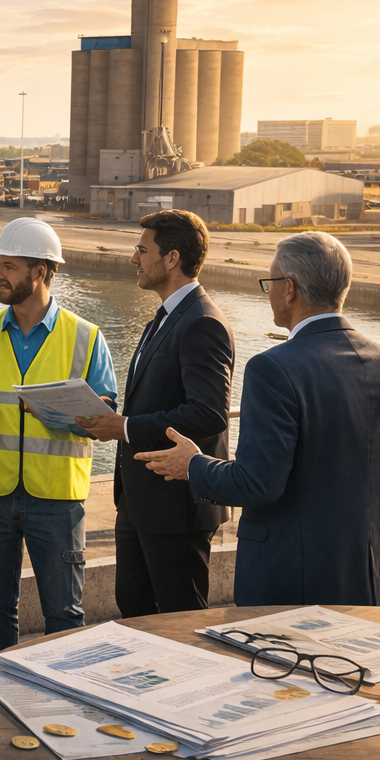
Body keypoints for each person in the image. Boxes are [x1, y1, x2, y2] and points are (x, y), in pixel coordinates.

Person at [136, 231, 380, 605]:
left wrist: (194, 465)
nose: (267, 292)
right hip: (376, 574)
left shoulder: (274, 367)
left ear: (289, 289)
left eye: (269, 282)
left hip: (293, 576)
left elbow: (257, 483)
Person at [0, 217, 117, 660]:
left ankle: (64, 703)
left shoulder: (86, 337)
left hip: (56, 498)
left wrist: (58, 413)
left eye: (9, 265)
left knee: (64, 614)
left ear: (40, 272)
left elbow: (105, 417)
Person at [75, 210, 234, 616]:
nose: (133, 258)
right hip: (138, 500)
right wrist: (107, 414)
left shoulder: (202, 322)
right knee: (134, 609)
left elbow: (208, 412)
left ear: (171, 258)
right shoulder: (160, 320)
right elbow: (157, 400)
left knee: (181, 617)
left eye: (141, 249)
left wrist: (125, 427)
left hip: (176, 504)